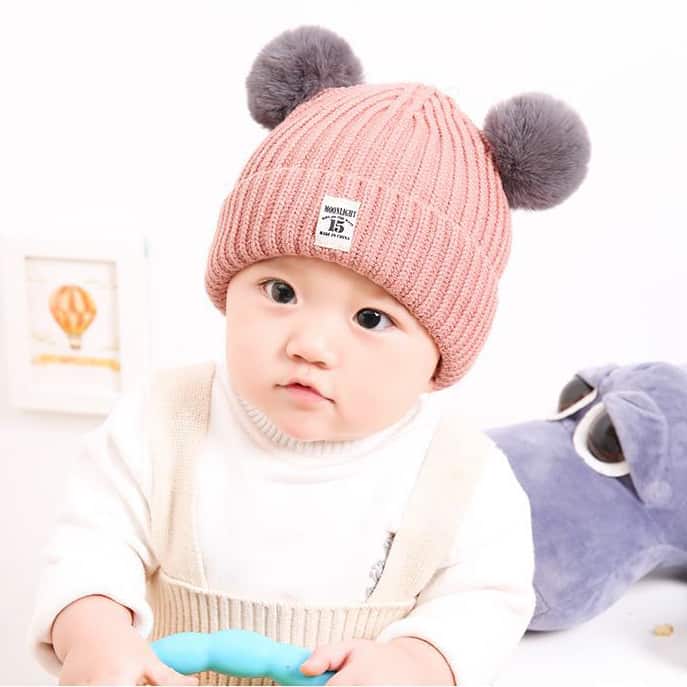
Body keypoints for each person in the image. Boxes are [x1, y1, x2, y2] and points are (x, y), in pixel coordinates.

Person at [27, 24, 590, 686]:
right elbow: (90, 544)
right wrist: (95, 631)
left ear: (440, 354)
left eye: (372, 318)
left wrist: (416, 661)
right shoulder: (158, 422)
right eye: (281, 291)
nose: (310, 345)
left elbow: (488, 601)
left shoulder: (462, 475)